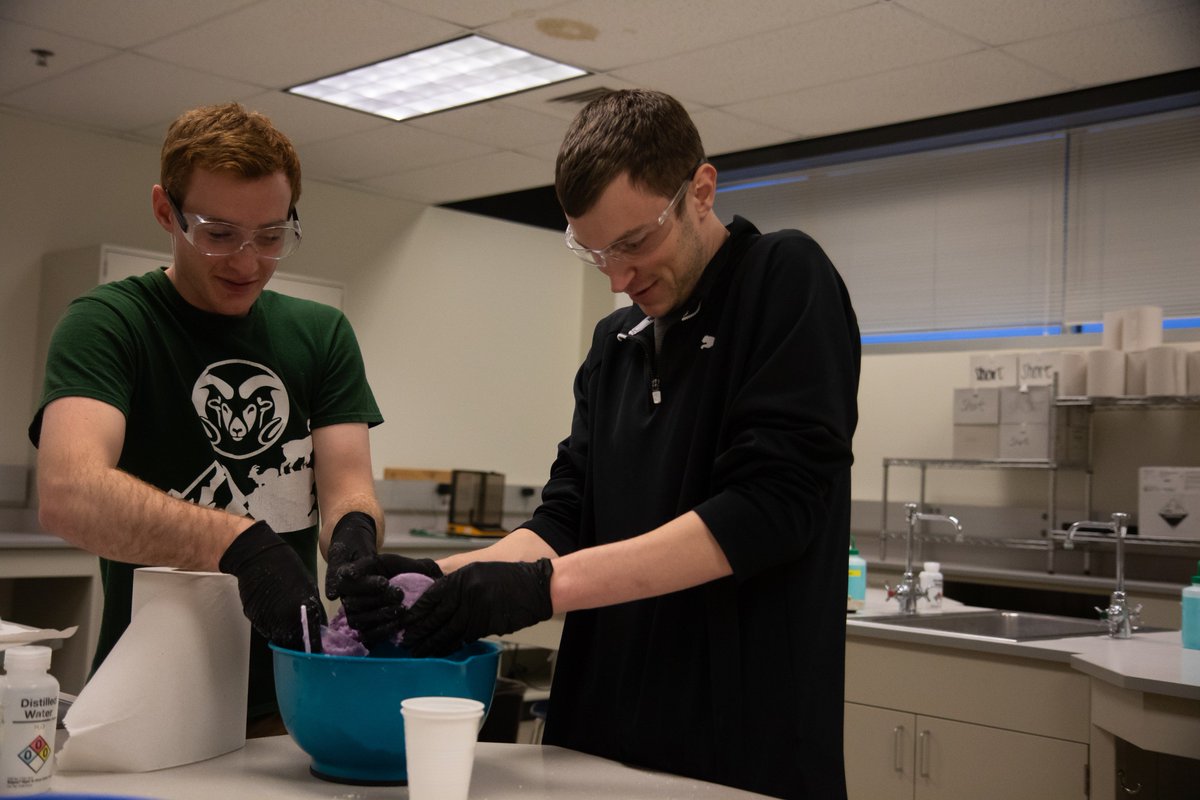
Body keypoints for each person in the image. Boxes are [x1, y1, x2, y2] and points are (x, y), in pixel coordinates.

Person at [351, 89, 860, 798]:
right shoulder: (615, 343)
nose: (618, 278)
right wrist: (438, 579)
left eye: (634, 243)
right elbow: (565, 518)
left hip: (737, 746)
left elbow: (768, 510)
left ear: (700, 192)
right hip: (598, 737)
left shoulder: (783, 279)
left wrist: (541, 590)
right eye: (594, 252)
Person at [29, 102, 389, 735]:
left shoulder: (321, 333)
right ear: (166, 211)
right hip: (149, 701)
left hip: (291, 699)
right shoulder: (110, 324)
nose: (247, 262)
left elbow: (347, 488)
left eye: (272, 236)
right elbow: (68, 492)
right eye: (218, 234)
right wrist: (238, 544)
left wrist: (356, 538)